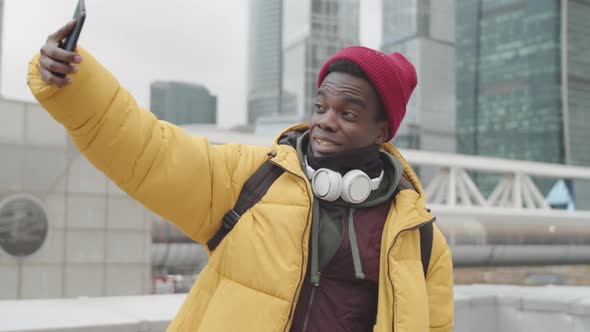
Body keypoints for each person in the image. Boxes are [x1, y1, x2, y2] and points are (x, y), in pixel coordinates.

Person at [28, 20, 454, 332]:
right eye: (321, 106)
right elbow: (149, 151)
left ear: (382, 131)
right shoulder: (251, 177)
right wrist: (75, 85)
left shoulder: (421, 240)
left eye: (348, 113)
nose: (325, 121)